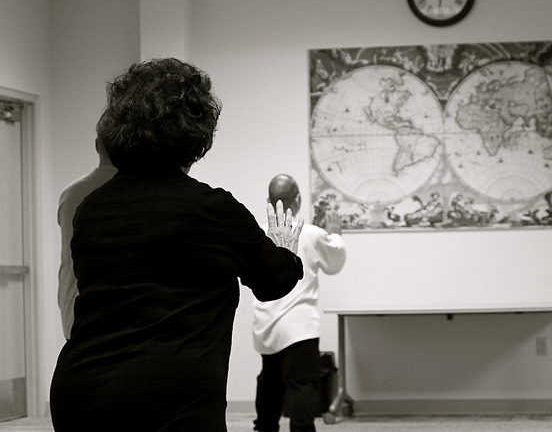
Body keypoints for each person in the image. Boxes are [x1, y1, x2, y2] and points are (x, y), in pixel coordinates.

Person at [50, 58, 304, 432]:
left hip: (80, 391)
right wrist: (285, 247)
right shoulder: (210, 209)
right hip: (171, 399)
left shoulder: (92, 208)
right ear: (197, 132)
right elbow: (273, 281)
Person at [252, 174, 346, 432]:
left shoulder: (257, 234)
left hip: (266, 324)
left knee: (269, 382)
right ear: (299, 200)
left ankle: (264, 428)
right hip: (300, 326)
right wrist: (336, 235)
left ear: (268, 201)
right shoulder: (312, 234)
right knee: (303, 384)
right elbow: (334, 264)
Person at [57, 134, 117, 340]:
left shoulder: (72, 193)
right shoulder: (136, 191)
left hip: (75, 308)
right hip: (118, 317)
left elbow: (68, 259)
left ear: (96, 145)